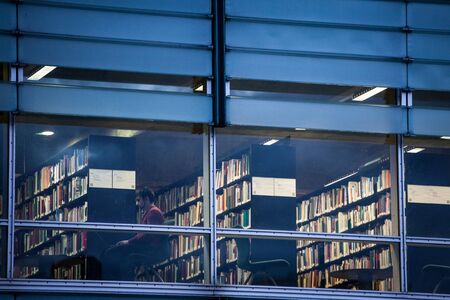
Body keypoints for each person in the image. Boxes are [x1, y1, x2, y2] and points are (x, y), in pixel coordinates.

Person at [102, 187, 165, 280]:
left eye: (139, 200)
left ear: (146, 199)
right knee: (113, 251)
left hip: (150, 249)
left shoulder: (154, 212)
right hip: (146, 247)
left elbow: (148, 234)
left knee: (114, 253)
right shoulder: (149, 212)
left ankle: (120, 283)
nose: (137, 203)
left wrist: (129, 242)